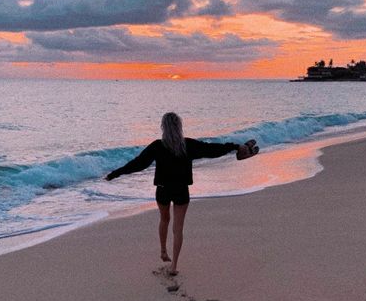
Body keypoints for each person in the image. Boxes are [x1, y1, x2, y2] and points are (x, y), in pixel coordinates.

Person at [105, 112, 259, 275]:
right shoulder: (187, 145)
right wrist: (234, 146)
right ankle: (174, 266)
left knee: (164, 219)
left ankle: (163, 252)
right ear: (179, 127)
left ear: (163, 127)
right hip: (181, 190)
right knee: (178, 228)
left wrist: (115, 173)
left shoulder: (157, 146)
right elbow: (211, 149)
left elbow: (138, 164)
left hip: (163, 189)